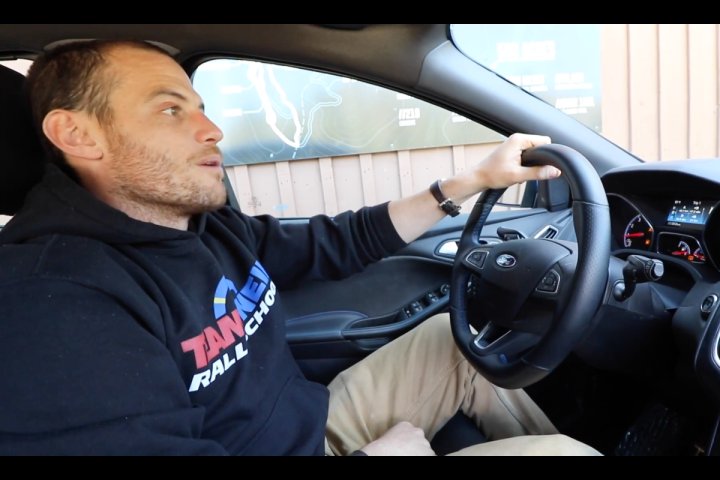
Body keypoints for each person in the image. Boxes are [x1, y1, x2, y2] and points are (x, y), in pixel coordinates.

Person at [0, 39, 600, 456]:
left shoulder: (200, 226)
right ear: (77, 134)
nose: (212, 130)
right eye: (170, 110)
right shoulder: (49, 305)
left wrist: (472, 181)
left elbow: (336, 243)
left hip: (312, 426)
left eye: (200, 108)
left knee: (451, 342)